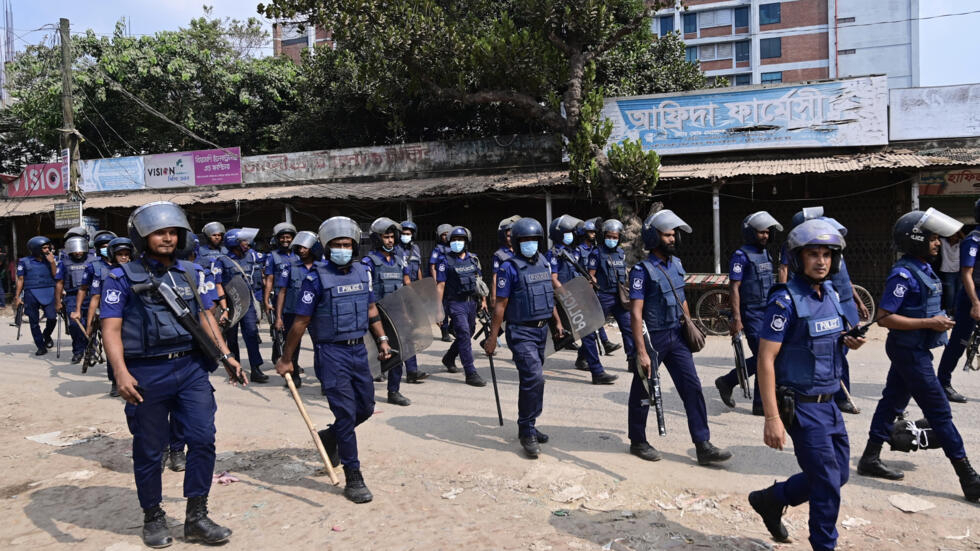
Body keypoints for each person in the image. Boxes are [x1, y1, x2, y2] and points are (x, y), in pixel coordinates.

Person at [101, 201, 244, 547]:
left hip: (191, 368)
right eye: (159, 233)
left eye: (172, 232)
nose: (166, 238)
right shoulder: (120, 277)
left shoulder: (192, 273)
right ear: (142, 237)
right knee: (150, 449)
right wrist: (120, 372)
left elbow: (206, 317)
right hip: (146, 373)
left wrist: (226, 355)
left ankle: (197, 515)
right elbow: (111, 329)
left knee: (202, 438)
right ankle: (153, 515)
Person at [749, 218, 865, 550]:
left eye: (827, 255)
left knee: (837, 474)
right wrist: (772, 418)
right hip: (801, 406)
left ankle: (772, 499)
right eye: (813, 254)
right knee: (828, 483)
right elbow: (765, 359)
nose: (821, 261)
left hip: (830, 403)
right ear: (799, 259)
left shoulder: (828, 293)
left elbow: (822, 340)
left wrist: (847, 340)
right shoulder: (784, 300)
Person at [856, 208, 980, 503]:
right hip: (908, 350)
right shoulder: (903, 274)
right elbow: (885, 317)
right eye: (934, 238)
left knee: (892, 402)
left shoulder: (923, 268)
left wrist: (935, 320)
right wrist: (930, 323)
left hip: (915, 348)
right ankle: (969, 478)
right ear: (916, 240)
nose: (939, 243)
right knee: (940, 412)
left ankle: (869, 458)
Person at [274, 216, 394, 504]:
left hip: (358, 351)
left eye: (347, 244)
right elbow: (300, 323)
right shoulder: (315, 278)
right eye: (337, 245)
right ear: (327, 248)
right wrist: (286, 359)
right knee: (345, 413)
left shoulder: (361, 273)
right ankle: (354, 476)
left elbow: (371, 309)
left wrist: (382, 339)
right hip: (331, 353)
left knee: (364, 408)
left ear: (354, 246)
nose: (343, 249)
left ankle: (330, 437)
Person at [629, 210, 732, 465]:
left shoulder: (676, 265)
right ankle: (638, 440)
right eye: (667, 235)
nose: (673, 239)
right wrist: (641, 351)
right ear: (654, 238)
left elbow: (682, 298)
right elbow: (635, 313)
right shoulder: (642, 271)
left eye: (674, 235)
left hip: (676, 336)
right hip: (653, 338)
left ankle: (702, 444)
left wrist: (690, 324)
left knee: (692, 387)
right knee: (643, 389)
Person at [484, 217, 566, 458]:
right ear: (517, 242)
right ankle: (526, 431)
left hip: (541, 331)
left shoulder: (543, 262)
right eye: (524, 240)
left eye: (533, 240)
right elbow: (500, 305)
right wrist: (492, 337)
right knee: (535, 378)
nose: (529, 244)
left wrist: (558, 321)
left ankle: (528, 424)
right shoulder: (508, 268)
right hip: (521, 332)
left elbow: (548, 295)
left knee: (532, 381)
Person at [777, 208, 868, 414]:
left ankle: (836, 394)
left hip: (844, 305)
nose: (822, 259)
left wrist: (858, 301)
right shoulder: (800, 250)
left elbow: (846, 279)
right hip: (823, 305)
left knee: (840, 349)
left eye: (827, 254)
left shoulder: (833, 250)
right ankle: (835, 395)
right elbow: (784, 269)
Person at [715, 211, 783, 413]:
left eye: (767, 232)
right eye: (761, 232)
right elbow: (734, 287)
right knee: (764, 356)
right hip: (751, 314)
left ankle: (734, 386)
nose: (765, 236)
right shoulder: (740, 256)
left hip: (768, 311)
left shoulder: (766, 253)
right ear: (751, 233)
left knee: (769, 356)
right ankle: (735, 387)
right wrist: (736, 318)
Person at [362, 217, 429, 405]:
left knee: (398, 353)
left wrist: (412, 309)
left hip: (396, 314)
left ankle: (394, 391)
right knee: (369, 354)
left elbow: (406, 285)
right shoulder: (369, 263)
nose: (390, 240)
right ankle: (365, 393)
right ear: (377, 239)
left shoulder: (400, 261)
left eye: (392, 237)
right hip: (375, 315)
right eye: (386, 237)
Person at [547, 214, 617, 384]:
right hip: (563, 298)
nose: (572, 234)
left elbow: (577, 273)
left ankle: (596, 370)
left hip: (576, 295)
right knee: (548, 335)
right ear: (559, 233)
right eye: (568, 231)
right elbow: (553, 278)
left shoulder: (571, 252)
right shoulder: (553, 254)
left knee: (589, 332)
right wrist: (565, 294)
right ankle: (528, 363)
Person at [935, 201, 980, 404]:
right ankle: (943, 382)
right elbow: (966, 274)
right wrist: (976, 303)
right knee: (960, 341)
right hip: (973, 296)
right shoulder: (973, 240)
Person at [436, 226, 488, 387]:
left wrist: (484, 300)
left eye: (460, 240)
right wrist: (438, 309)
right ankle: (470, 372)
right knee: (464, 333)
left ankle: (449, 357)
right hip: (455, 303)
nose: (457, 243)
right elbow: (440, 285)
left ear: (466, 242)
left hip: (471, 302)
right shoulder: (445, 261)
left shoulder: (473, 259)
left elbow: (479, 280)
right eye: (454, 240)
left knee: (469, 331)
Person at [217, 228, 268, 383]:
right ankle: (236, 368)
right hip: (231, 304)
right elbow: (218, 284)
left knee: (251, 333)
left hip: (248, 302)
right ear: (234, 243)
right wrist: (224, 309)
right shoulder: (222, 260)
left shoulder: (252, 256)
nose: (248, 243)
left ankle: (256, 368)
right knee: (231, 338)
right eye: (244, 241)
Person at [274, 231, 318, 389]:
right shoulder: (290, 266)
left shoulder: (323, 267)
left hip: (317, 314)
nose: (301, 250)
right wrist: (278, 317)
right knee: (292, 345)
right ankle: (294, 375)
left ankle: (324, 378)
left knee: (320, 347)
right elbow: (282, 292)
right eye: (299, 247)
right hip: (293, 312)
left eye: (305, 247)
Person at [588, 219, 634, 370]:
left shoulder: (621, 253)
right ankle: (583, 356)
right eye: (609, 236)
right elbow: (591, 275)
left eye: (615, 237)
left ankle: (632, 360)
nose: (612, 240)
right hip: (604, 296)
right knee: (593, 328)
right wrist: (594, 283)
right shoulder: (597, 253)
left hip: (620, 297)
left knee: (628, 328)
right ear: (603, 236)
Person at [76, 231, 118, 394]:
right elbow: (90, 294)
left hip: (128, 313)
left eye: (109, 246)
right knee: (111, 347)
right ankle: (115, 381)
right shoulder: (94, 267)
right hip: (106, 314)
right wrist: (88, 322)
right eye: (102, 247)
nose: (106, 249)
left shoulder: (126, 263)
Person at [576, 217, 621, 355]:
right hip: (584, 285)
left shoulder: (599, 250)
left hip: (600, 288)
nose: (593, 234)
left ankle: (604, 343)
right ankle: (596, 347)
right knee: (594, 320)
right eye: (590, 232)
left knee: (597, 319)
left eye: (594, 232)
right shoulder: (580, 250)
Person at [14, 236, 60, 356]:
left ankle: (46, 335)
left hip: (49, 291)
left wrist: (52, 262)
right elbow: (20, 279)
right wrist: (17, 297)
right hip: (31, 293)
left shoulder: (52, 259)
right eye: (44, 248)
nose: (47, 250)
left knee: (52, 318)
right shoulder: (24, 261)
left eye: (48, 247)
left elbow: (56, 275)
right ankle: (40, 346)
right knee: (33, 321)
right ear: (35, 249)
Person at [60, 236, 93, 364]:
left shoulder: (93, 260)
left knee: (91, 325)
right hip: (72, 296)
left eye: (80, 249)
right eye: (75, 250)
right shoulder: (65, 263)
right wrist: (58, 301)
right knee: (75, 325)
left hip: (91, 295)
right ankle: (78, 352)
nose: (78, 252)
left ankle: (90, 350)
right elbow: (59, 282)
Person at [263, 222, 296, 319]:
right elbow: (269, 280)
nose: (285, 240)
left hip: (298, 296)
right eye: (282, 237)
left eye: (288, 237)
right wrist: (266, 300)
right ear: (277, 239)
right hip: (280, 298)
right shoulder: (272, 256)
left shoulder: (299, 255)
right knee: (282, 327)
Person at [430, 223, 454, 342]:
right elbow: (433, 266)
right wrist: (435, 281)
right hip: (441, 280)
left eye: (447, 234)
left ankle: (452, 327)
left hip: (452, 282)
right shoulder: (437, 249)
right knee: (443, 307)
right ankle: (444, 331)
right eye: (443, 235)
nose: (445, 237)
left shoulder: (454, 247)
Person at [491, 215, 520, 307]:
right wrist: (494, 296)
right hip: (506, 291)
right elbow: (495, 277)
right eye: (508, 236)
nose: (510, 238)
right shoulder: (499, 254)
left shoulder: (521, 251)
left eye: (512, 236)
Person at [940, 230, 964, 314]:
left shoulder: (961, 243)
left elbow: (966, 239)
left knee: (959, 291)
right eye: (952, 235)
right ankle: (948, 311)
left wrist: (957, 230)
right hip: (947, 271)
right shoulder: (943, 242)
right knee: (950, 293)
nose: (954, 237)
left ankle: (956, 310)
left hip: (959, 271)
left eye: (956, 235)